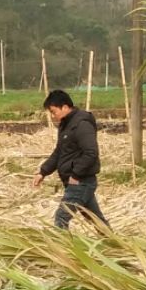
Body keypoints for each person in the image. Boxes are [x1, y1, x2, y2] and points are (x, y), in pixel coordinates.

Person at [34, 87, 107, 228]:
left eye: (54, 112)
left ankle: (61, 250)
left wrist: (75, 175)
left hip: (80, 182)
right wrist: (43, 171)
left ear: (65, 107)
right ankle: (114, 244)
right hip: (76, 182)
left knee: (61, 217)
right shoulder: (66, 125)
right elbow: (59, 152)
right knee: (95, 219)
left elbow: (91, 153)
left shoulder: (81, 124)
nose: (53, 116)